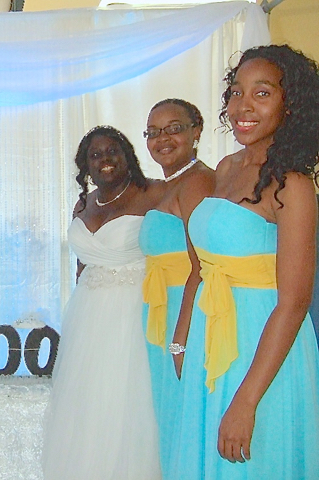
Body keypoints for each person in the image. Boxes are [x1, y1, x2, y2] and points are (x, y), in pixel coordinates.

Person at [178, 44, 319, 478]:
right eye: (237, 92)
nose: (243, 106)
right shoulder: (225, 167)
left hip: (260, 351)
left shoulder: (291, 185)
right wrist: (181, 339)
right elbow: (199, 269)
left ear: (289, 103)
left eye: (262, 93)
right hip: (210, 337)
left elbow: (294, 303)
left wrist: (246, 401)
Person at [42, 126, 164, 479]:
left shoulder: (153, 192)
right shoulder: (85, 203)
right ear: (85, 165)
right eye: (95, 155)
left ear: (128, 156)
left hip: (133, 313)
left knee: (127, 408)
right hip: (88, 316)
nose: (105, 159)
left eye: (113, 151)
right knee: (86, 409)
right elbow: (83, 267)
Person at [138, 98, 214, 476]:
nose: (161, 139)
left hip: (183, 315)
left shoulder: (199, 181)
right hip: (162, 313)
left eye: (174, 128)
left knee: (180, 421)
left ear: (196, 132)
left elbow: (201, 267)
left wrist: (181, 337)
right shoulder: (171, 184)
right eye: (153, 132)